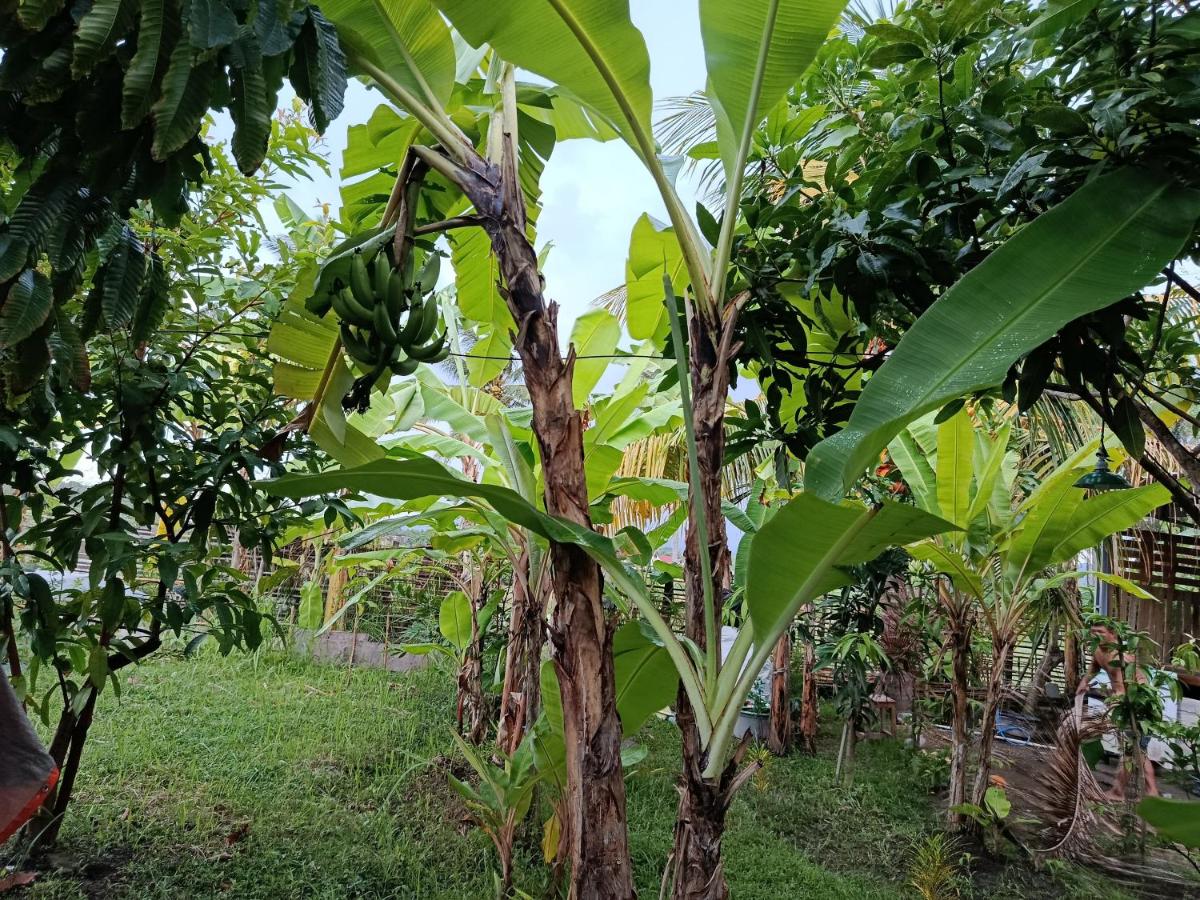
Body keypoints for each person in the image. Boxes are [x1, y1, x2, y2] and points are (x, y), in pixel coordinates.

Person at [1075, 622, 1159, 799]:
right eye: (1094, 632)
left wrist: (1123, 700)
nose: (1096, 635)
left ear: (1112, 633)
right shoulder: (1098, 650)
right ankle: (1151, 792)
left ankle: (1119, 792)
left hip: (1138, 705)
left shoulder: (1123, 654)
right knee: (1137, 750)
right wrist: (1084, 683)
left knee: (1134, 749)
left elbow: (1139, 682)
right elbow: (1093, 669)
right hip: (1120, 705)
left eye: (1101, 631)